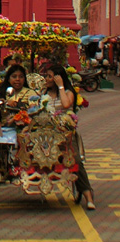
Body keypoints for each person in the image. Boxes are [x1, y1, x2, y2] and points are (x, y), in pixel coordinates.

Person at [43, 63, 95, 210]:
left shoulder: (68, 92)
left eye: (49, 76)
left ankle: (88, 195)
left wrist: (60, 86)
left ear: (58, 78)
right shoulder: (43, 93)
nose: (46, 79)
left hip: (65, 132)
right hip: (46, 132)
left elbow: (66, 105)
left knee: (75, 160)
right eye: (46, 76)